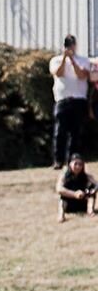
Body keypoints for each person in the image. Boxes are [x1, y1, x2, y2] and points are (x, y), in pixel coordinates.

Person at [50, 35, 94, 168]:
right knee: (60, 132)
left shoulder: (83, 60)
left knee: (76, 132)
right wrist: (64, 58)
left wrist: (72, 60)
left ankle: (73, 161)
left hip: (79, 99)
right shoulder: (56, 60)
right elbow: (58, 73)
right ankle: (58, 160)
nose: (69, 47)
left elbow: (82, 76)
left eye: (71, 44)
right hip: (62, 100)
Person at [57, 154, 97, 222]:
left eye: (80, 164)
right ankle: (61, 215)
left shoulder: (86, 176)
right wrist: (74, 194)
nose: (78, 166)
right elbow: (59, 189)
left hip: (82, 203)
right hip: (69, 203)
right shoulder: (64, 176)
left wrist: (93, 190)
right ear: (70, 164)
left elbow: (97, 184)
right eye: (75, 164)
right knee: (62, 197)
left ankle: (90, 211)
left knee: (91, 191)